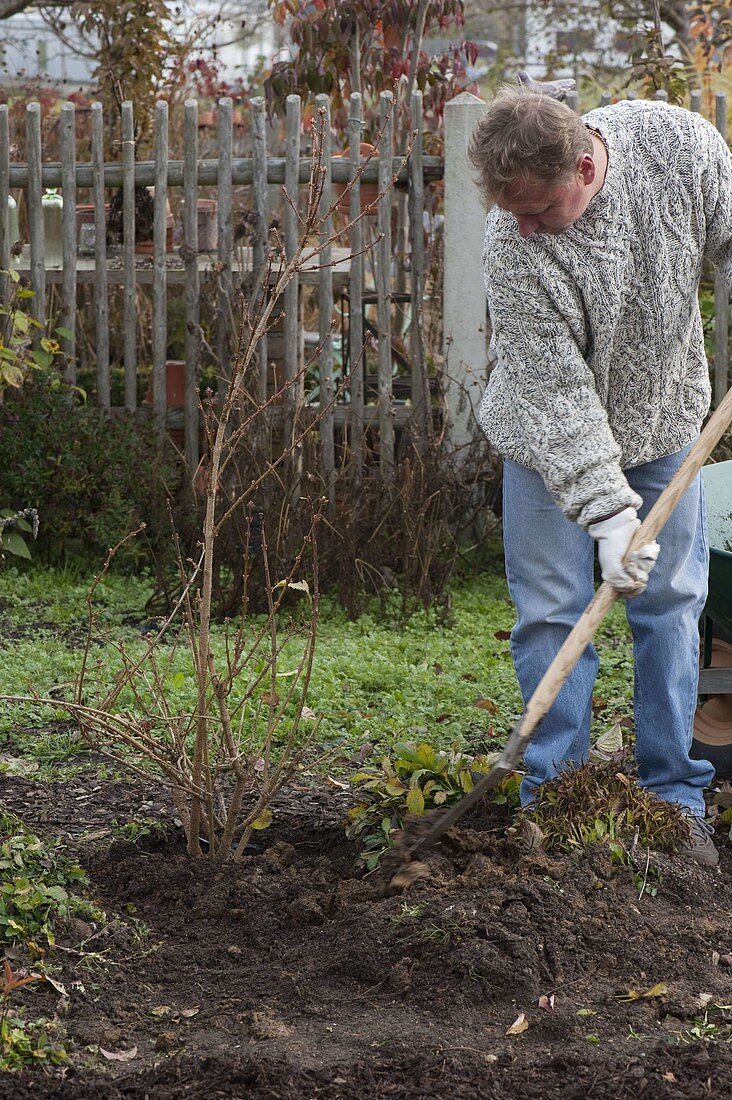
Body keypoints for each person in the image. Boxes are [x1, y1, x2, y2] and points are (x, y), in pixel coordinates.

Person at [469, 86, 732, 868]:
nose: (523, 225)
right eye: (509, 210)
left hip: (662, 423)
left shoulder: (678, 146)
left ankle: (674, 796)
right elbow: (555, 395)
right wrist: (610, 516)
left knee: (673, 605)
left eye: (538, 208)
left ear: (584, 165)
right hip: (549, 444)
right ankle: (554, 795)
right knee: (552, 611)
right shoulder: (511, 246)